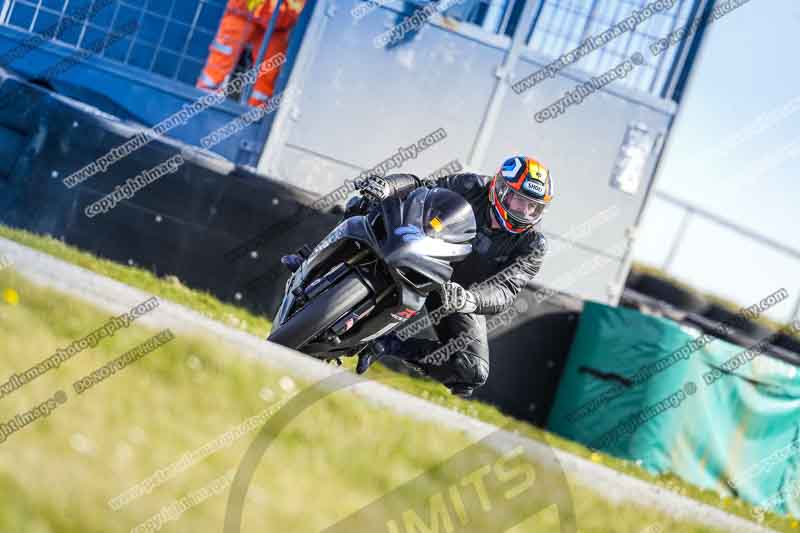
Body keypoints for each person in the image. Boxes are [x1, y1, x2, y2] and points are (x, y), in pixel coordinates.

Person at [283, 156, 553, 397]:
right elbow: (423, 187)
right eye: (520, 200)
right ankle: (311, 259)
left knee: (472, 371)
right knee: (364, 203)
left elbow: (507, 288)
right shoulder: (472, 185)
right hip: (424, 248)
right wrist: (387, 186)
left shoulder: (533, 244)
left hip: (456, 292)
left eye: (534, 207)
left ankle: (385, 344)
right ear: (501, 188)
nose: (525, 212)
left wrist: (469, 300)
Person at [197, 0, 304, 107]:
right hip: (244, 11)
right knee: (223, 55)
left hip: (278, 23)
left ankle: (255, 111)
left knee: (269, 70)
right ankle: (203, 96)